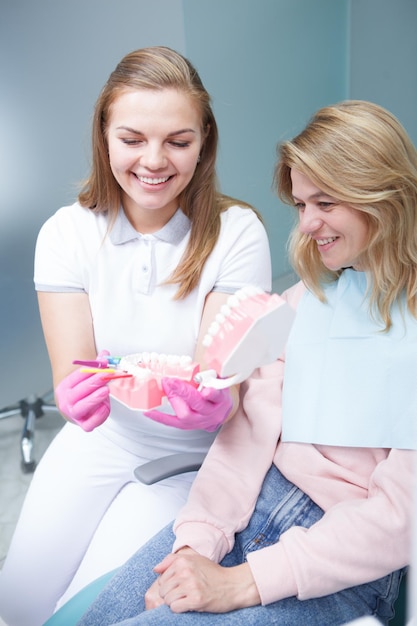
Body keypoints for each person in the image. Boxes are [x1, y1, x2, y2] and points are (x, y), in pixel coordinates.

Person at [75, 100, 417, 626]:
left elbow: (399, 519)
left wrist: (241, 582)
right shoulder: (306, 302)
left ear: (383, 197)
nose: (307, 225)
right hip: (248, 506)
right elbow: (244, 441)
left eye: (324, 203)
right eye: (301, 205)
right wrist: (196, 543)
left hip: (338, 557)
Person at [0, 47, 272, 626]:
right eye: (132, 139)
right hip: (102, 442)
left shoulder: (237, 232)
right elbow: (73, 374)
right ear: (103, 137)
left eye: (178, 141)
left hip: (196, 458)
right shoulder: (67, 234)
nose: (155, 161)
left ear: (204, 142)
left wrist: (217, 402)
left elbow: (223, 379)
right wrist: (73, 397)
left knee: (85, 609)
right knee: (16, 605)